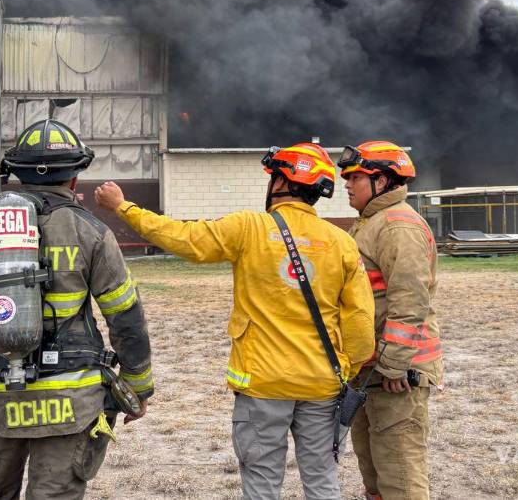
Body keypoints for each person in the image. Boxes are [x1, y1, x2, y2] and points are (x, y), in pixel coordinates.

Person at [95, 143, 374, 500]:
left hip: (262, 385)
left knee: (261, 484)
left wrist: (123, 207)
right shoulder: (341, 243)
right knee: (322, 481)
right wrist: (343, 370)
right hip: (322, 387)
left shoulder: (249, 227)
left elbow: (183, 238)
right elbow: (362, 327)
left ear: (280, 183)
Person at [0, 119, 154, 500]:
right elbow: (124, 315)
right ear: (75, 179)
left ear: (17, 175)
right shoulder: (91, 232)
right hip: (71, 400)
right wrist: (138, 386)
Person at [338, 141, 443, 500]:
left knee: (399, 475)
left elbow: (410, 301)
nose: (346, 184)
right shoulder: (371, 222)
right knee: (374, 471)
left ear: (381, 181)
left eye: (355, 177)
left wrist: (396, 365)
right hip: (372, 372)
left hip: (397, 376)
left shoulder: (398, 227)